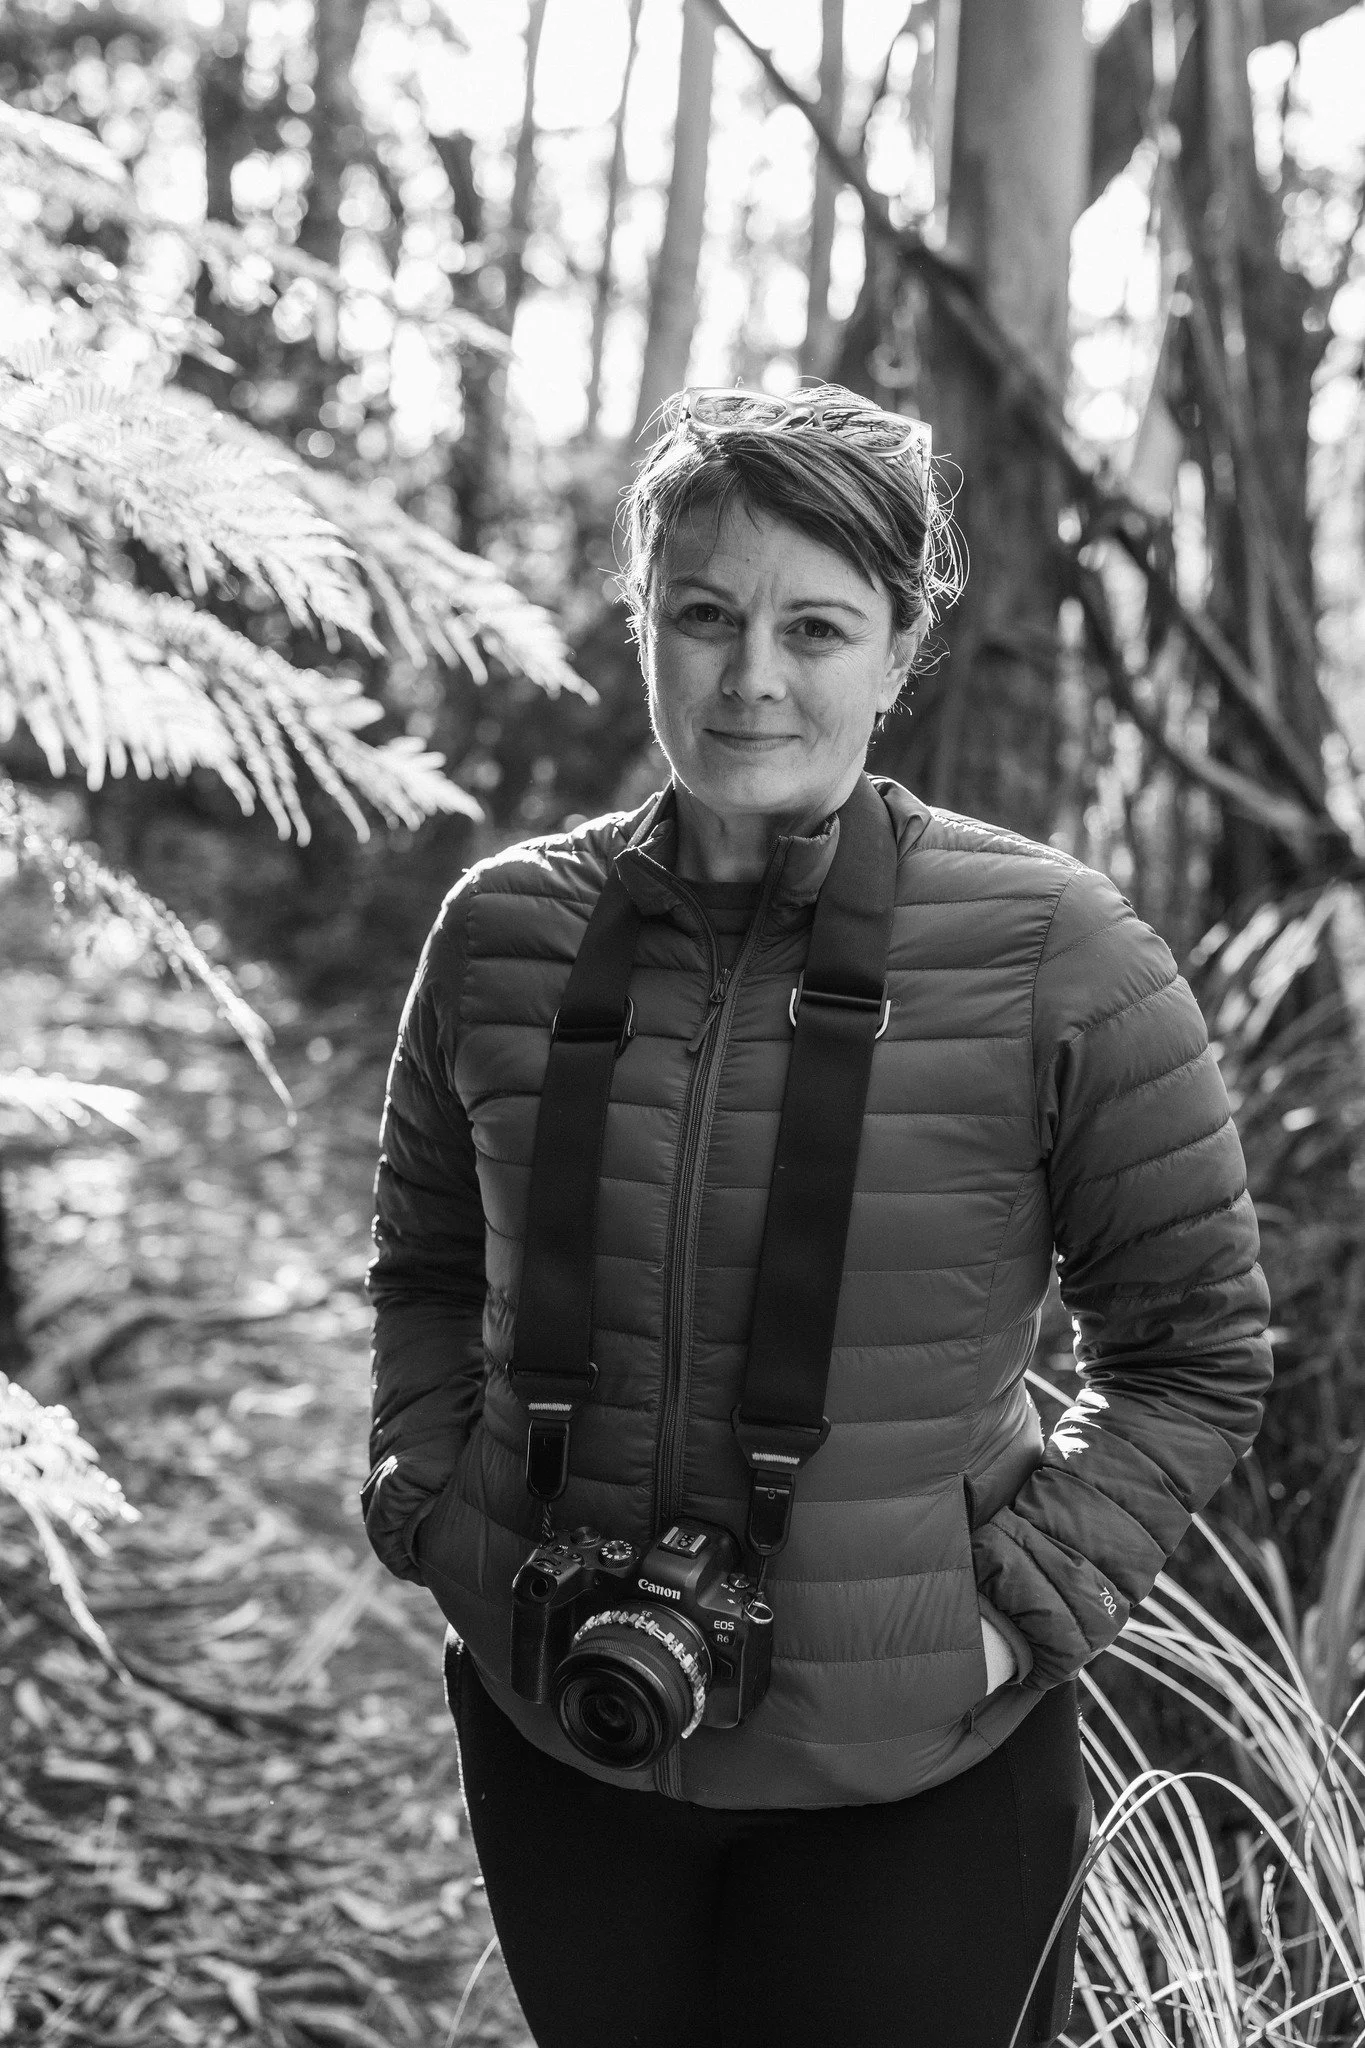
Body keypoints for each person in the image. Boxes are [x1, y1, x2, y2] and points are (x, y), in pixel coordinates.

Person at [361, 385, 1272, 2048]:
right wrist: (438, 1500)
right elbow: (424, 1261)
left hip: (919, 1788)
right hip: (566, 1732)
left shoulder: (1057, 953)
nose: (751, 675)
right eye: (703, 614)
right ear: (643, 620)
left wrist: (1012, 1616)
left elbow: (1197, 1355)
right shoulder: (503, 931)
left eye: (816, 625)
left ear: (902, 645)